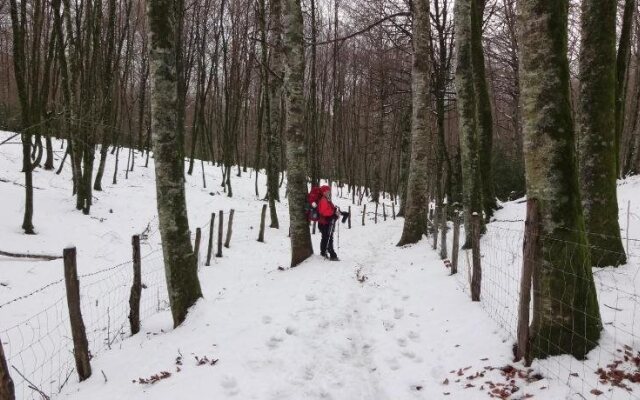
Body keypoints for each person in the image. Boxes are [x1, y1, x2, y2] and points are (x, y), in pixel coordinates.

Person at [317, 185, 340, 261]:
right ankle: (332, 255)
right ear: (323, 192)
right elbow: (323, 212)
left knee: (325, 238)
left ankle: (323, 252)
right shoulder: (323, 200)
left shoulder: (327, 199)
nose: (328, 192)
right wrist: (333, 213)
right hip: (324, 223)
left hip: (325, 222)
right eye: (327, 191)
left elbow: (330, 209)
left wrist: (335, 211)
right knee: (329, 238)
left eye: (329, 191)